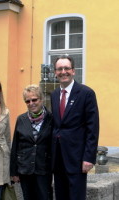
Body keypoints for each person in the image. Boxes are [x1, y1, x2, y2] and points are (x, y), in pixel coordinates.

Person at [51, 55, 99, 200]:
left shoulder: (86, 93)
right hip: (58, 158)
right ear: (55, 72)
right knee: (60, 196)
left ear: (73, 71)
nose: (63, 71)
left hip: (77, 159)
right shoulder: (54, 94)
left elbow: (93, 128)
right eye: (60, 69)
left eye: (66, 68)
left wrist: (89, 158)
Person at [10, 84, 53, 200]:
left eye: (34, 100)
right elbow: (15, 146)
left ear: (41, 99)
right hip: (25, 170)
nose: (31, 103)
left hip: (43, 169)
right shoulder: (21, 119)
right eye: (27, 101)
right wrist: (13, 172)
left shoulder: (51, 118)